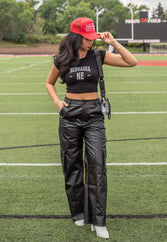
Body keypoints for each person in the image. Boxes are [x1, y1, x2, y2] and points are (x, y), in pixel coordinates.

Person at [46, 17, 137, 239]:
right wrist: (58, 103)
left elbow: (131, 62)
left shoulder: (98, 55)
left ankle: (98, 220)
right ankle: (78, 212)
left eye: (92, 37)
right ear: (77, 37)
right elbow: (49, 82)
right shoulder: (62, 59)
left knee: (97, 165)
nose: (90, 41)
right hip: (70, 114)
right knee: (72, 165)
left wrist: (113, 42)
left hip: (94, 115)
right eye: (87, 38)